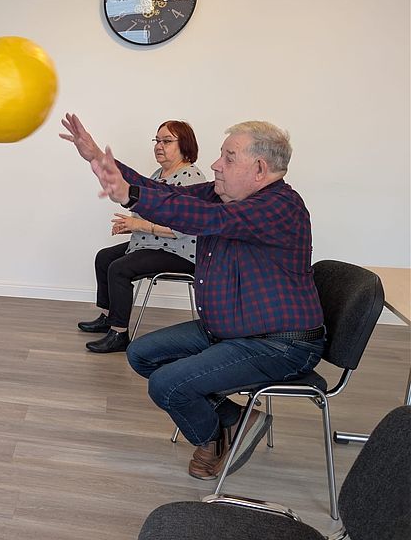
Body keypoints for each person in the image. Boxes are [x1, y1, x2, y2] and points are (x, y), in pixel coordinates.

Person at [61, 115, 324, 480]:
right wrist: (100, 160)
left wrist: (129, 197)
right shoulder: (228, 195)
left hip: (279, 343)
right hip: (233, 330)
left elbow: (198, 216)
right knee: (140, 354)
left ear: (260, 168)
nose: (216, 165)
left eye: (229, 157)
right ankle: (234, 421)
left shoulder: (278, 206)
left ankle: (212, 436)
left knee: (167, 384)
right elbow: (172, 195)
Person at [79, 120, 205, 354]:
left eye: (166, 141)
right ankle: (108, 317)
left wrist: (140, 225)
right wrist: (131, 226)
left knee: (119, 268)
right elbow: (148, 209)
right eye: (157, 140)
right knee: (104, 258)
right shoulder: (159, 174)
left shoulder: (192, 178)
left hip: (180, 252)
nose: (159, 145)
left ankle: (119, 333)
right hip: (153, 244)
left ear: (184, 145)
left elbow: (183, 228)